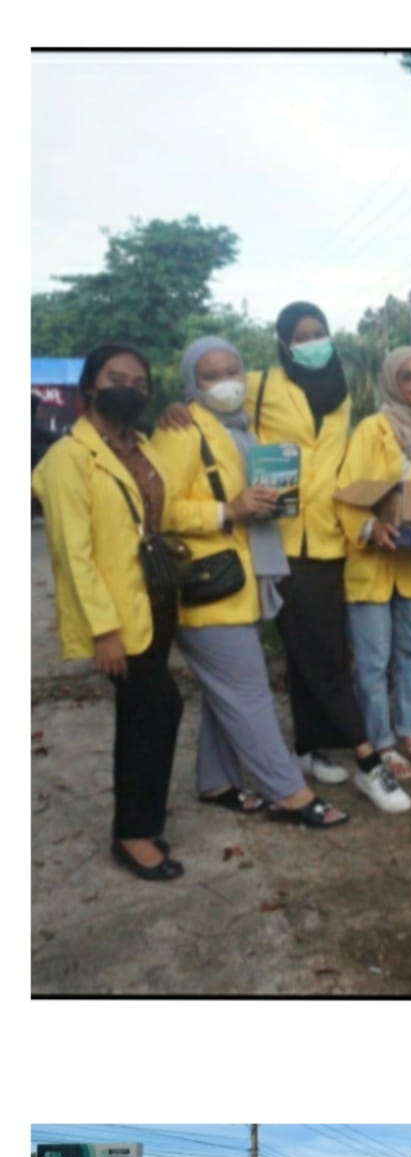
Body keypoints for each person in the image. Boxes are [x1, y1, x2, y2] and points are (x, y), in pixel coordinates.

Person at [162, 302, 407, 811]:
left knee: (314, 647)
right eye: (301, 336)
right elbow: (211, 389)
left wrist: (365, 520)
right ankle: (367, 761)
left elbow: (340, 470)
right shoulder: (260, 383)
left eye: (320, 332)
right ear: (282, 343)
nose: (312, 342)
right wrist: (176, 406)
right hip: (274, 539)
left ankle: (310, 748)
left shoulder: (340, 397)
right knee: (321, 652)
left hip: (328, 536)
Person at [154, 336, 350, 829]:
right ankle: (288, 793)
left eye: (232, 371)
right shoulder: (181, 431)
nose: (225, 384)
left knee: (229, 691)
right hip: (206, 585)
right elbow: (158, 510)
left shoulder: (242, 430)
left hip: (240, 579)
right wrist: (228, 509)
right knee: (249, 694)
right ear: (190, 385)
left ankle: (215, 780)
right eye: (210, 376)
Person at [33, 345, 189, 881]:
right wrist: (103, 631)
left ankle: (141, 821)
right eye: (116, 377)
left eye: (140, 381)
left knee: (147, 714)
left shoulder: (141, 446)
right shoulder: (67, 459)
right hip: (117, 616)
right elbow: (72, 555)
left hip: (156, 599)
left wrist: (178, 414)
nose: (130, 387)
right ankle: (132, 833)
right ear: (91, 387)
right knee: (157, 709)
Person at [340, 346, 411, 784]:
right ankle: (380, 740)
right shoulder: (372, 429)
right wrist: (369, 528)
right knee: (373, 659)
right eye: (408, 377)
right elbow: (347, 488)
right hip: (371, 558)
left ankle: (410, 732)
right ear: (391, 382)